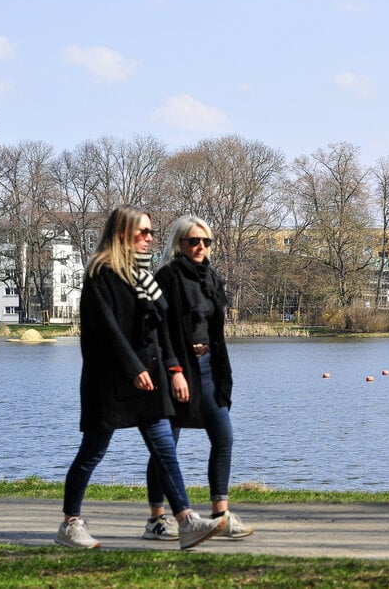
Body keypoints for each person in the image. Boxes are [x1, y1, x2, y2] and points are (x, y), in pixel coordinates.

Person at [56, 205, 227, 549]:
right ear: (122, 234)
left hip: (150, 378)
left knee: (165, 448)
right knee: (92, 451)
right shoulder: (100, 275)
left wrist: (170, 367)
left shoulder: (143, 276)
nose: (150, 238)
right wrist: (134, 369)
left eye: (151, 232)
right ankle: (70, 523)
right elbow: (107, 331)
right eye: (142, 232)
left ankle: (185, 520)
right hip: (111, 381)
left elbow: (159, 330)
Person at [142, 214, 253, 541]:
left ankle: (220, 514)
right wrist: (174, 371)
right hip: (176, 369)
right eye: (194, 241)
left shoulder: (211, 278)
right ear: (180, 243)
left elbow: (215, 329)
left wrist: (222, 372)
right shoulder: (168, 277)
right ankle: (157, 519)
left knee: (223, 437)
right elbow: (162, 332)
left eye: (206, 241)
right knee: (167, 446)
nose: (201, 246)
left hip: (208, 368)